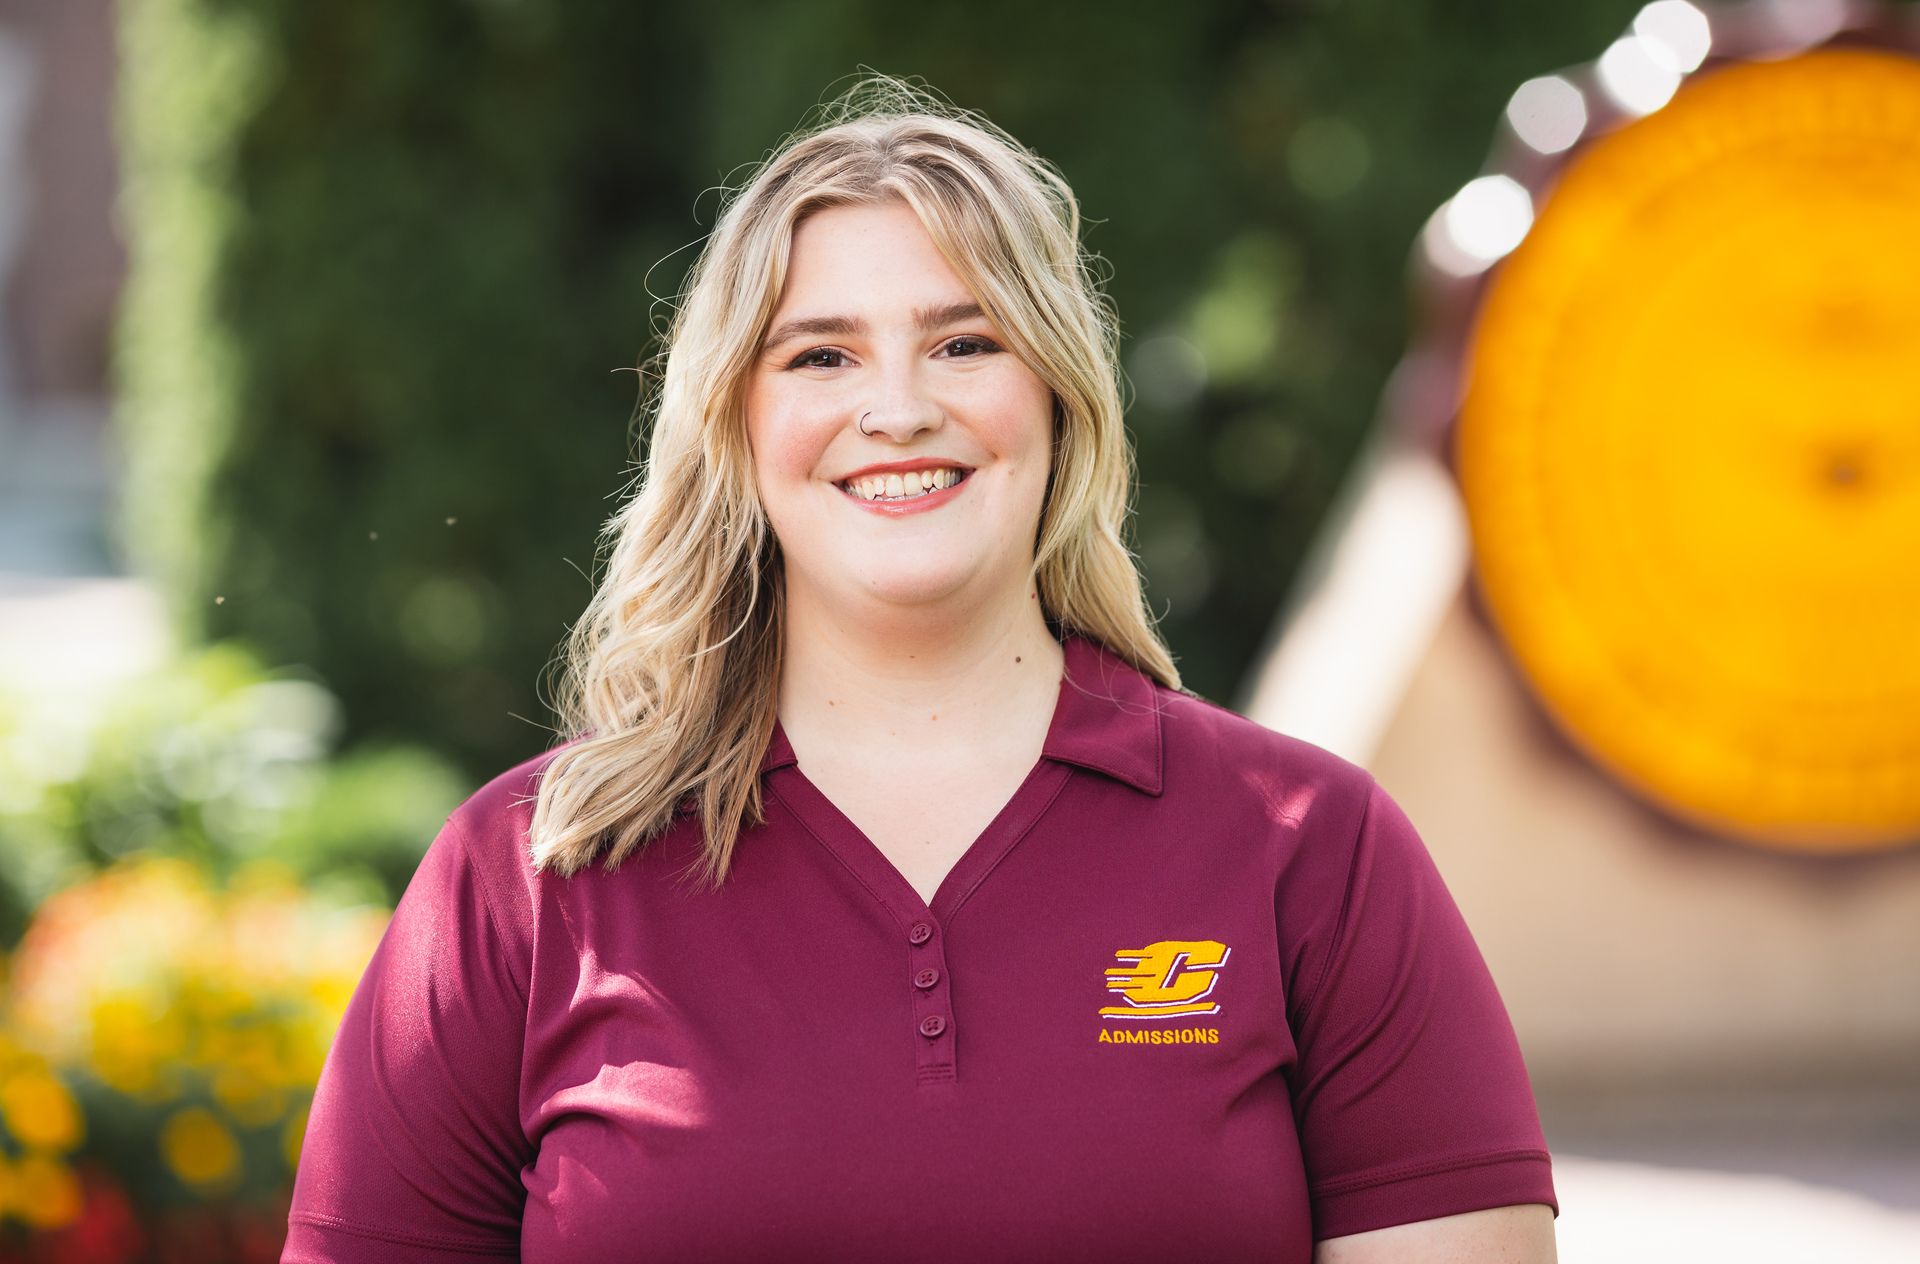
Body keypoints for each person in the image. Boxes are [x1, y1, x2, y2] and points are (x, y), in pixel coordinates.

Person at [282, 74, 1559, 1263]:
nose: (896, 408)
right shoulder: (530, 874)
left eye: (965, 342)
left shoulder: (1309, 850)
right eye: (821, 355)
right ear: (736, 424)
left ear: (1059, 398)